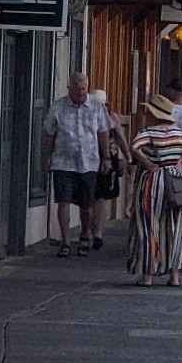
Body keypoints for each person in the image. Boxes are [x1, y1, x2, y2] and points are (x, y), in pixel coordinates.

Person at [128, 94, 182, 288]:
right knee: (176, 227)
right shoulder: (179, 133)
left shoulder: (148, 132)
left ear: (153, 114)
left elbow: (134, 147)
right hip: (176, 180)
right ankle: (174, 277)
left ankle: (148, 276)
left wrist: (147, 162)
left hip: (152, 181)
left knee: (149, 226)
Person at [42, 73, 121, 256]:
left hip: (89, 162)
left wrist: (107, 158)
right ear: (69, 88)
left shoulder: (96, 105)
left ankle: (85, 235)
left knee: (86, 204)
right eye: (77, 89)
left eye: (84, 89)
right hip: (63, 161)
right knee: (63, 201)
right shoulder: (58, 107)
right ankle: (65, 241)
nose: (81, 93)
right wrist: (45, 158)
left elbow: (103, 132)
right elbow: (48, 135)